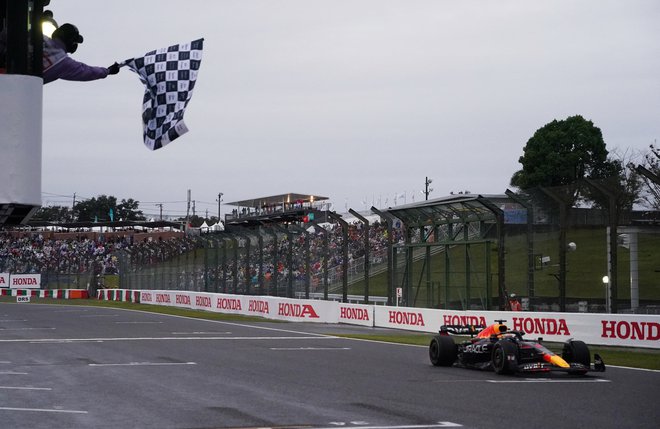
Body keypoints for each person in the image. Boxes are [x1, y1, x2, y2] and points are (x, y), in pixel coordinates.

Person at [43, 23, 119, 84]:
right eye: (75, 41)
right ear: (70, 40)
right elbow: (88, 71)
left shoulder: (40, 37)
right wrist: (108, 71)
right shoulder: (63, 62)